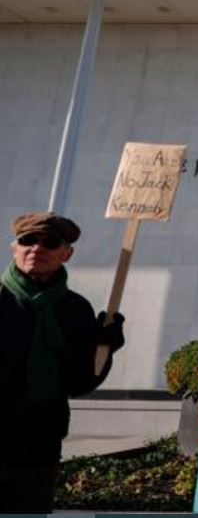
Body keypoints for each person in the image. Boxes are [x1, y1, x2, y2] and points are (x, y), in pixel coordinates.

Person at [0, 211, 125, 512]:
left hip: (40, 443)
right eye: (28, 240)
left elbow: (81, 381)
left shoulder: (75, 309)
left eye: (50, 243)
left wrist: (104, 344)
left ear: (66, 254)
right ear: (14, 248)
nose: (37, 249)